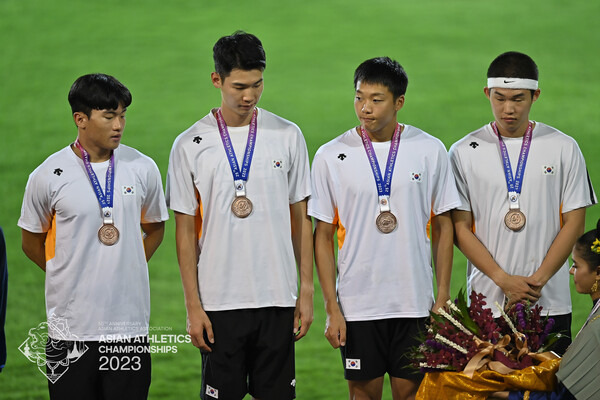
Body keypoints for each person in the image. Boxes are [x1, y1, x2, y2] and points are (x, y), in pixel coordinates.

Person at [166, 31, 313, 400]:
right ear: (217, 80)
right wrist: (192, 306)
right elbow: (184, 233)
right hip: (219, 303)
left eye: (257, 85)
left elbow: (301, 220)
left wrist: (306, 291)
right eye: (239, 86)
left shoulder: (288, 135)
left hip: (277, 298)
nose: (249, 96)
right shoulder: (189, 145)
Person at [309, 57, 460, 400]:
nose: (365, 108)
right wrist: (332, 307)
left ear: (399, 102)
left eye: (376, 100)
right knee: (362, 396)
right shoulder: (331, 156)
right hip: (358, 305)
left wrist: (442, 295)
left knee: (411, 396)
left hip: (415, 304)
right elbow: (322, 235)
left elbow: (443, 225)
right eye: (359, 97)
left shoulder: (429, 150)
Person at [18, 73, 169, 399]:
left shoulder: (142, 167)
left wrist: (126, 265)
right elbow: (31, 241)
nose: (119, 125)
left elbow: (155, 227)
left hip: (127, 329)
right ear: (81, 119)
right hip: (69, 332)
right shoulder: (48, 175)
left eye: (123, 115)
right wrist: (67, 273)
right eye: (109, 116)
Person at [449, 51, 597, 356]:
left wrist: (534, 284)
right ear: (487, 93)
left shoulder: (563, 148)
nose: (508, 109)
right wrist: (503, 280)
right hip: (487, 302)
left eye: (518, 98)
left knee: (547, 391)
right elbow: (459, 229)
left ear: (535, 95)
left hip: (548, 302)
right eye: (499, 98)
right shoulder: (463, 152)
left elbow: (575, 223)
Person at [489, 219, 600, 400]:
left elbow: (567, 397)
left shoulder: (597, 327)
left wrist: (501, 394)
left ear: (598, 273)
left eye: (576, 265)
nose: (571, 271)